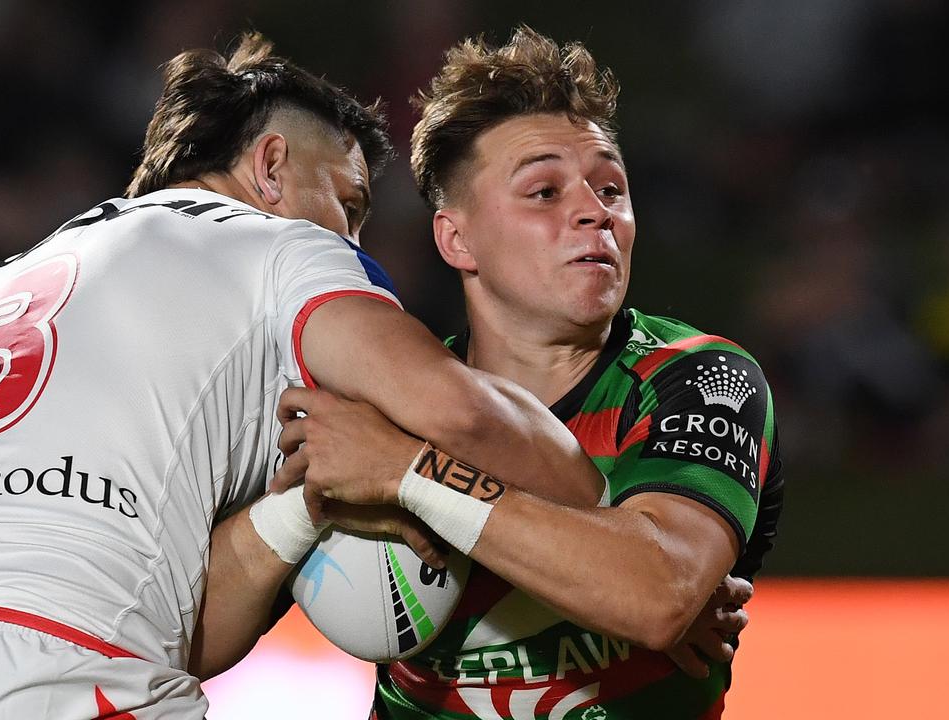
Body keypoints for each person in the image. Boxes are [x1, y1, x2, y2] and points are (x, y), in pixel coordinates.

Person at [0, 33, 606, 720]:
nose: (352, 243)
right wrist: (613, 536)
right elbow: (466, 420)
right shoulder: (283, 250)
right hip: (59, 673)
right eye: (347, 205)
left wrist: (293, 508)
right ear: (270, 169)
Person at [266, 28, 785, 719]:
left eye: (611, 188)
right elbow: (210, 621)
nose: (595, 212)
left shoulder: (698, 378)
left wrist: (414, 475)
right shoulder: (378, 402)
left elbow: (657, 596)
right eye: (543, 191)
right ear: (458, 239)